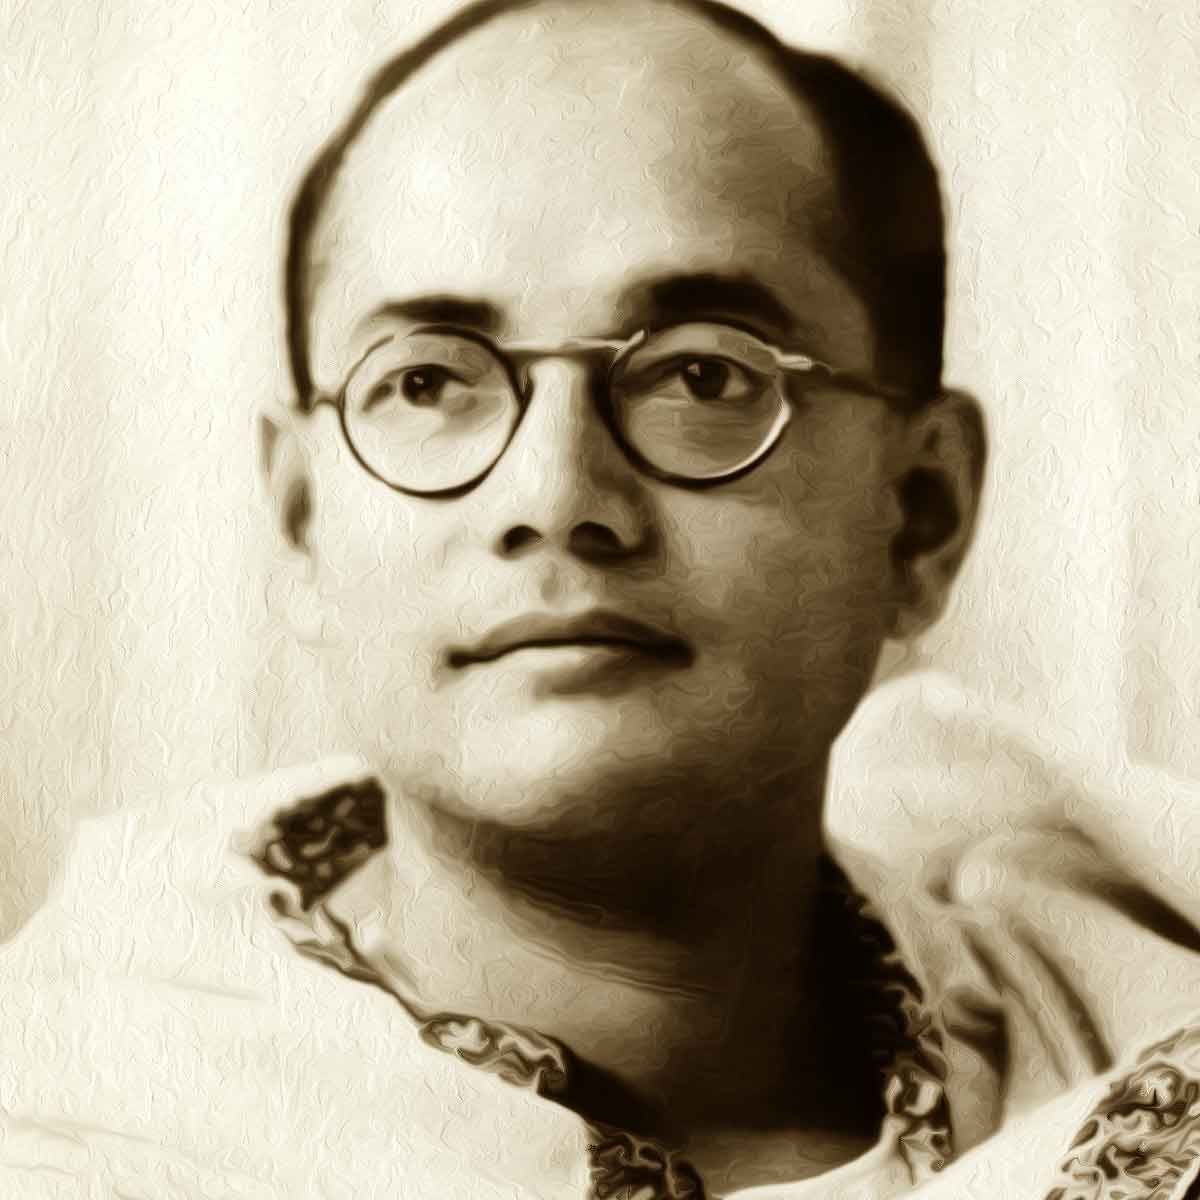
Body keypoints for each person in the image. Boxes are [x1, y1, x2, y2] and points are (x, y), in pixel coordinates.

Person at [3, 1, 1200, 1196]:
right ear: (304, 520)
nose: (556, 493)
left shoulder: (1127, 1033)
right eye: (426, 383)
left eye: (702, 375)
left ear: (921, 513)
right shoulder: (79, 1134)